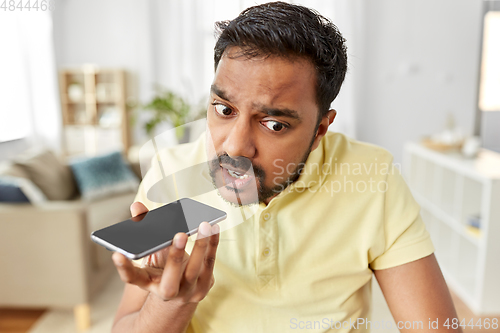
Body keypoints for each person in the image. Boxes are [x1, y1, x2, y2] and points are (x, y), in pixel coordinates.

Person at [110, 2, 462, 332]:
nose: (234, 146)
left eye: (274, 124)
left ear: (320, 129)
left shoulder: (371, 175)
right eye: (224, 109)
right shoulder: (170, 172)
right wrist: (171, 304)